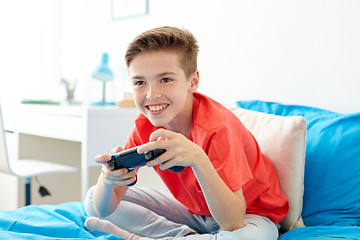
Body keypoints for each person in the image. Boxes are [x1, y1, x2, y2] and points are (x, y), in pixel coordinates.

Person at [84, 26, 289, 240]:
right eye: (140, 82)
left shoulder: (217, 129)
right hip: (194, 212)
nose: (152, 95)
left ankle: (138, 237)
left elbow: (233, 223)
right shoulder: (145, 125)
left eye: (165, 79)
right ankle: (183, 235)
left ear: (193, 81)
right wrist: (108, 180)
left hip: (249, 214)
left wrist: (198, 158)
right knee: (92, 197)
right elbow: (102, 210)